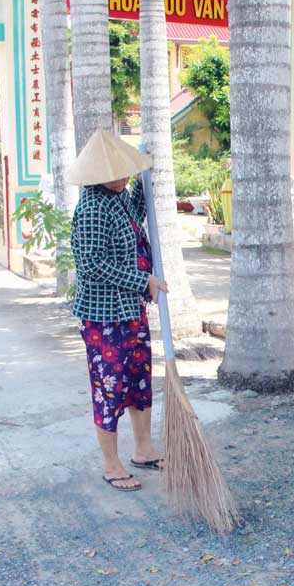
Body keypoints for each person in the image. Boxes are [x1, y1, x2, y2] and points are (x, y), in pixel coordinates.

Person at [68, 128, 169, 492]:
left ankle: (143, 449)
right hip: (104, 318)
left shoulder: (119, 196)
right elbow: (91, 265)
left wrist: (144, 180)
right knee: (110, 386)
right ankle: (112, 464)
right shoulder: (92, 208)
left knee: (139, 380)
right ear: (97, 173)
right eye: (119, 172)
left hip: (131, 311)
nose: (123, 177)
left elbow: (137, 215)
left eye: (126, 170)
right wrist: (144, 282)